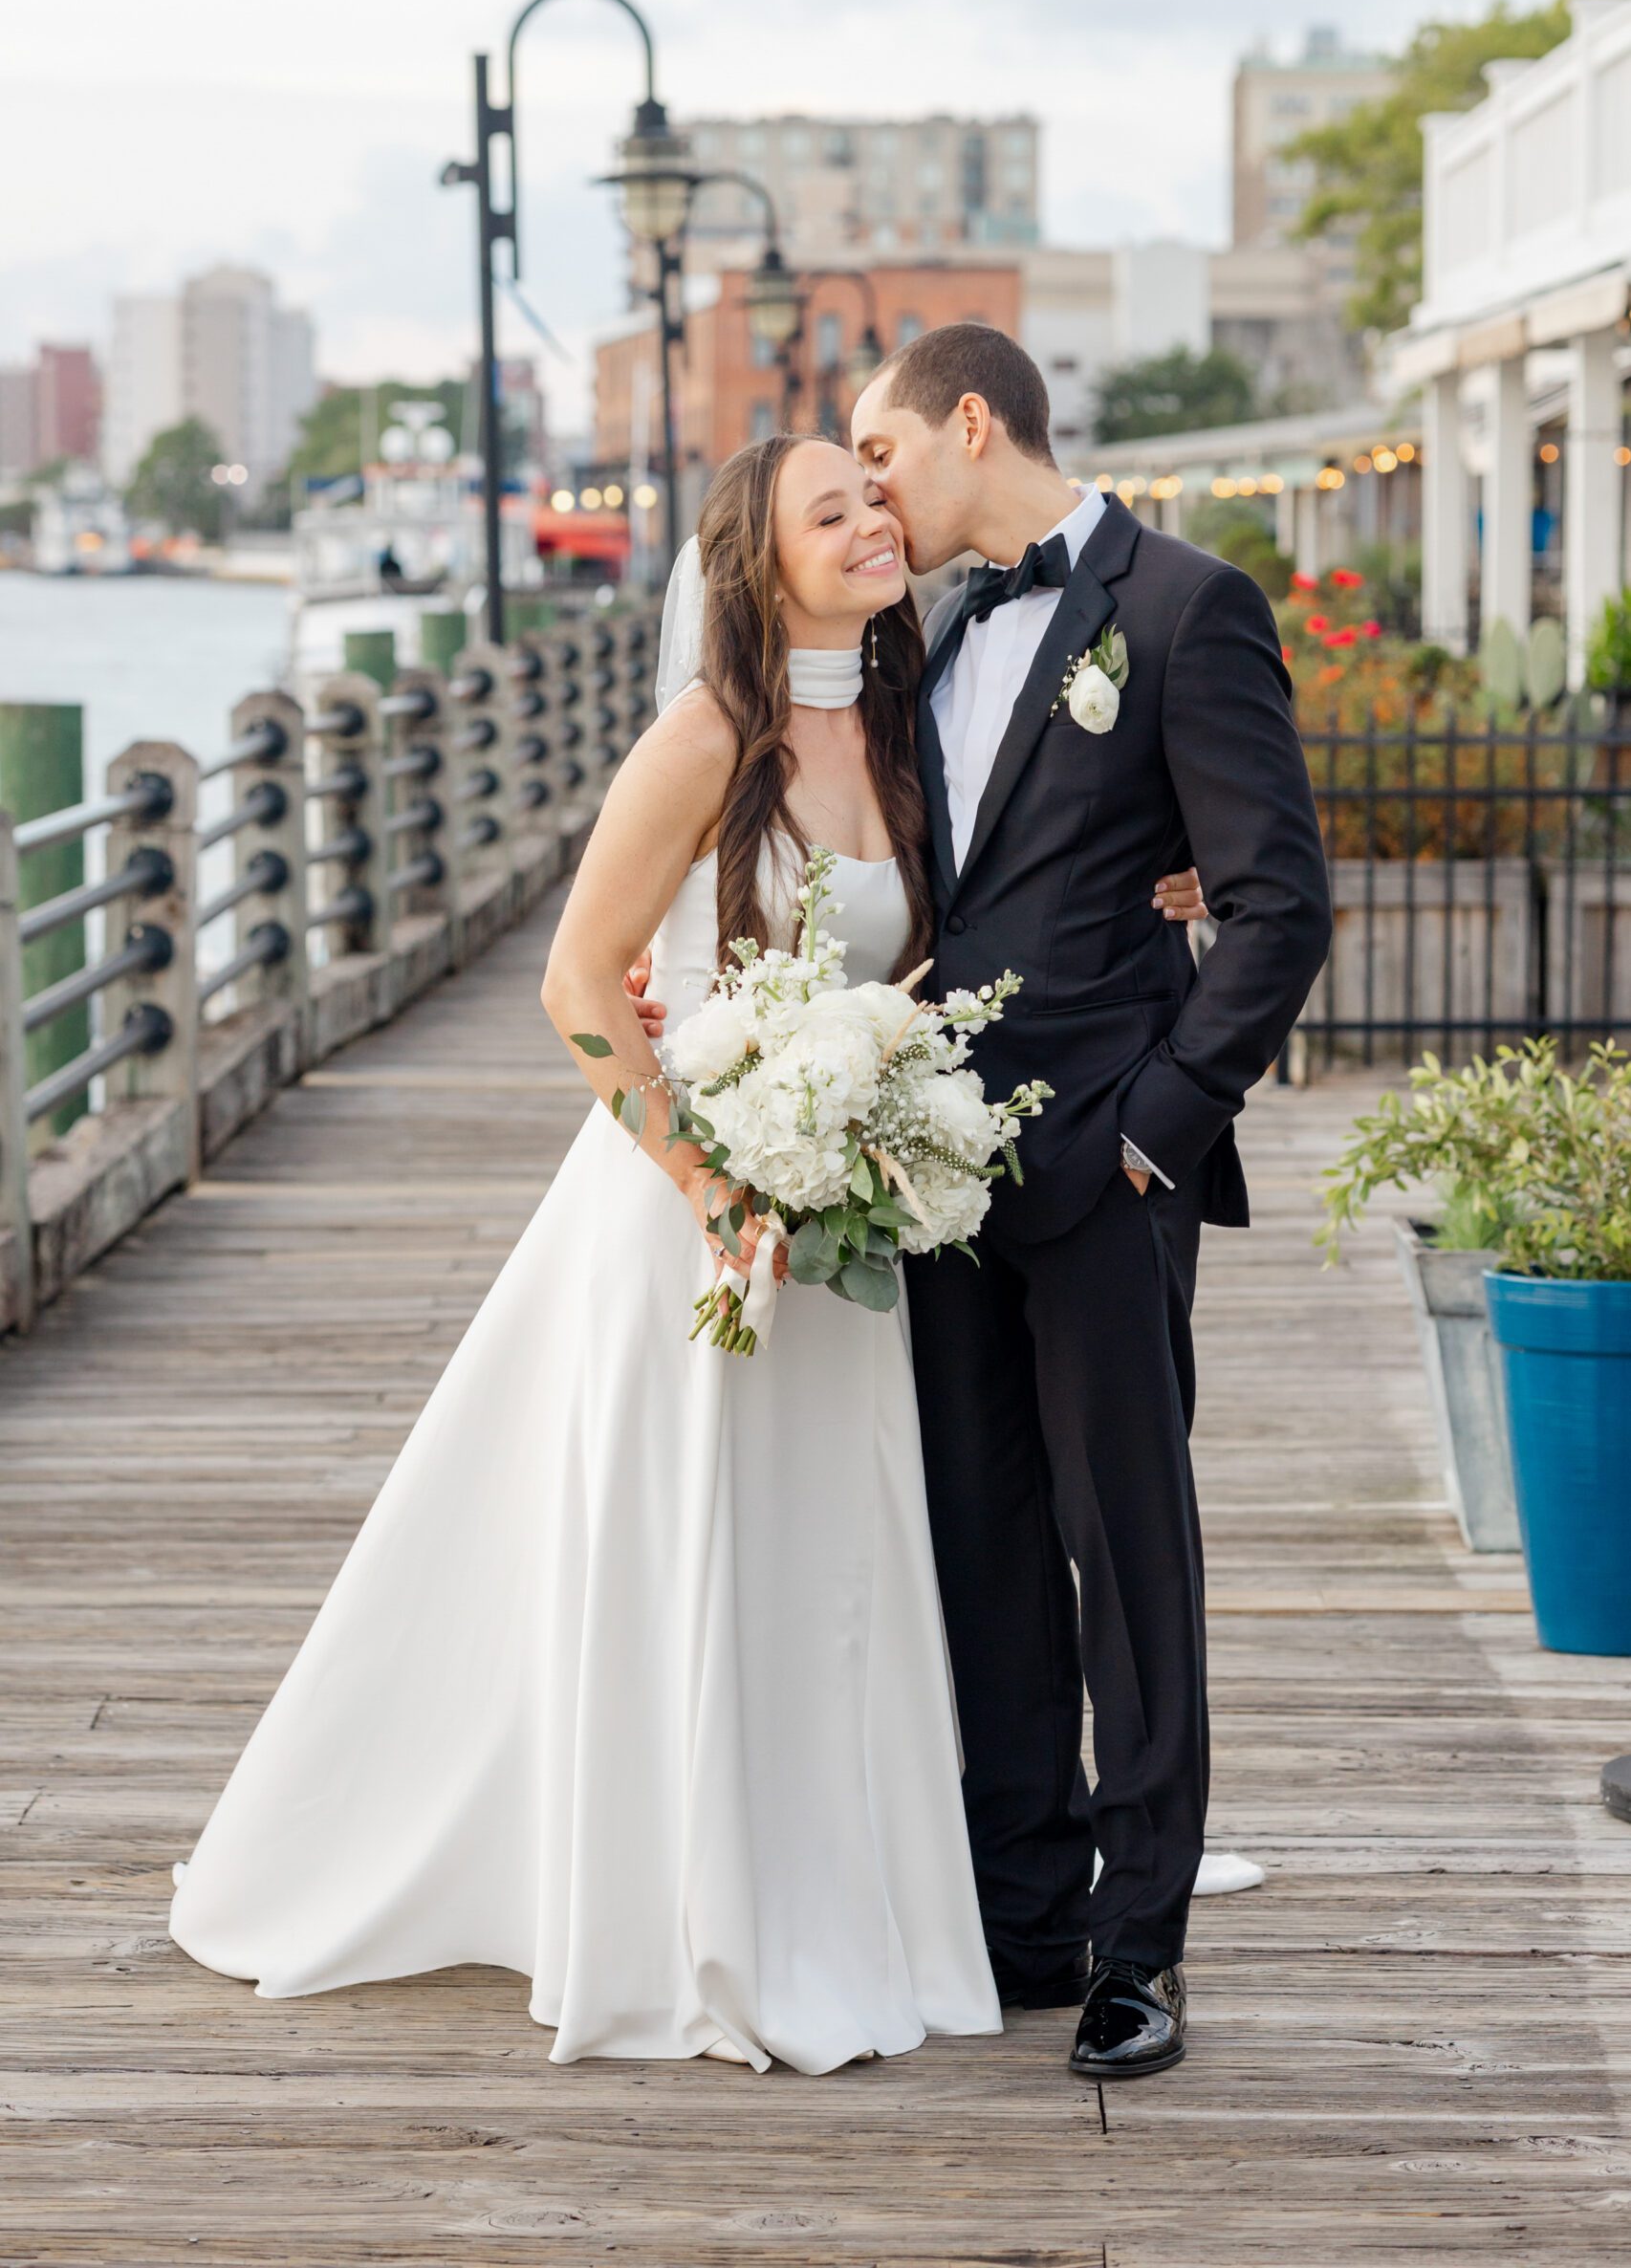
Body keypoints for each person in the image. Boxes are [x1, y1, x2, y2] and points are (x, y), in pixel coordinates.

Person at [167, 431, 1202, 2078]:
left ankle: (856, 1884)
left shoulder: (909, 725)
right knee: (701, 1543)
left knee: (848, 1567)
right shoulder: (704, 739)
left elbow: (1001, 903)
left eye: (875, 496)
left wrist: (1176, 871)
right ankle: (688, 1885)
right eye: (830, 508)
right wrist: (712, 1180)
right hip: (697, 1221)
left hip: (858, 1222)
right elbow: (581, 980)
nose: (872, 519)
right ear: (755, 560)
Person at [838, 323, 1332, 2078]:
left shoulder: (1191, 609)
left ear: (971, 421)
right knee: (978, 1544)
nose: (871, 496)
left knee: (1124, 1552)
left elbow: (1276, 907)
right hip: (924, 1175)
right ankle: (1024, 1915)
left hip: (1106, 1169)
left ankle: (1142, 1946)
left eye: (880, 456)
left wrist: (1159, 1130)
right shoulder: (919, 631)